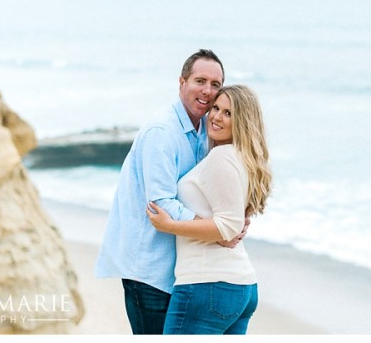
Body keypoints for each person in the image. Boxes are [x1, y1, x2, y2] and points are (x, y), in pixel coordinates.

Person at [96, 49, 245, 335]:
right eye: (200, 81)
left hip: (179, 269)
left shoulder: (206, 127)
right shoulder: (162, 132)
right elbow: (160, 204)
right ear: (182, 82)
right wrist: (217, 229)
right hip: (149, 270)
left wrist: (236, 217)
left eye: (216, 84)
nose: (208, 91)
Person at [146, 84, 273, 335]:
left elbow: (228, 226)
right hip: (239, 285)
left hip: (207, 285)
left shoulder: (222, 158)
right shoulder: (242, 158)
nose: (216, 117)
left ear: (243, 121)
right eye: (216, 108)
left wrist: (170, 226)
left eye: (228, 113)